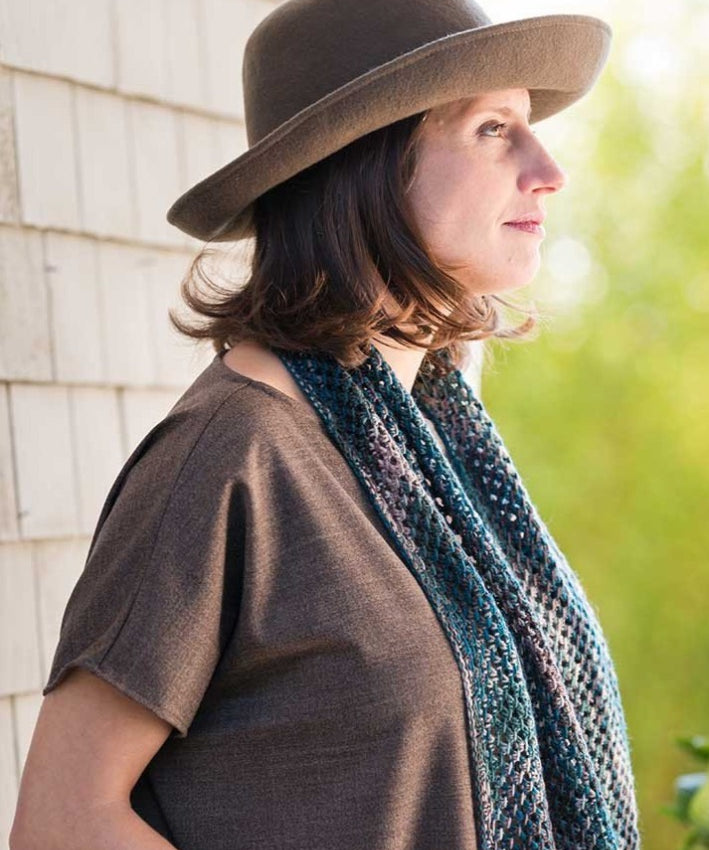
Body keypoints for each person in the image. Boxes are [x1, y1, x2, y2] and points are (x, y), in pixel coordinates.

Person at [10, 0, 641, 848]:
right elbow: (64, 822)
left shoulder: (431, 443)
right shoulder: (231, 452)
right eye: (493, 130)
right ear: (367, 166)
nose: (548, 168)